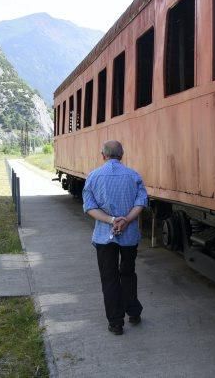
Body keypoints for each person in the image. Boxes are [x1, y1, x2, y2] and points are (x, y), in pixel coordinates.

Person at [82, 140, 147, 335]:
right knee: (128, 273)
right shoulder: (134, 175)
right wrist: (125, 220)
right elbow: (141, 202)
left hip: (104, 237)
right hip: (129, 236)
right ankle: (133, 312)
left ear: (103, 155)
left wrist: (112, 220)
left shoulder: (93, 176)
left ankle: (116, 323)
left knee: (109, 278)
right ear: (122, 154)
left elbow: (90, 208)